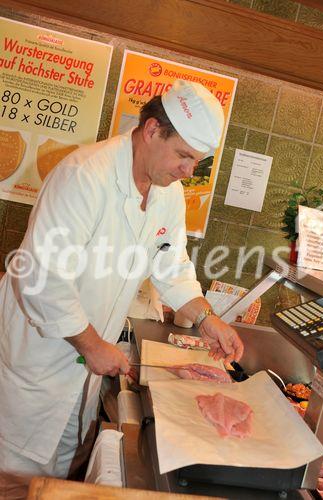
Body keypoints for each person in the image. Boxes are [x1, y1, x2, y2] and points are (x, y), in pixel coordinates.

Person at [0, 80, 243, 497]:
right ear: (151, 131)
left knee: (53, 482)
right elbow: (42, 278)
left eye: (196, 162)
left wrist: (207, 318)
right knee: (12, 478)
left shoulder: (168, 194)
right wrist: (93, 344)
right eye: (184, 156)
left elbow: (172, 264)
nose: (188, 171)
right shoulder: (84, 176)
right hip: (36, 364)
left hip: (80, 372)